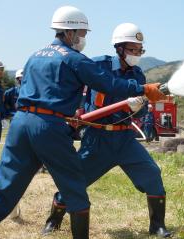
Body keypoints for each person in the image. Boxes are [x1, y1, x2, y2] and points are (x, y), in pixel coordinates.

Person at [0, 7, 165, 239]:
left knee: (5, 183)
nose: (83, 38)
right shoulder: (78, 60)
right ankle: (61, 224)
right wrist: (142, 90)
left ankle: (157, 226)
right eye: (82, 33)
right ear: (70, 32)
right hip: (63, 129)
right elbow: (108, 85)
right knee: (74, 184)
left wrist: (137, 103)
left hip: (22, 123)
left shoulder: (35, 55)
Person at [42, 23, 171, 238]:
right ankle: (54, 220)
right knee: (74, 183)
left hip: (125, 138)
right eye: (133, 49)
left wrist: (138, 109)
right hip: (97, 139)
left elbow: (140, 112)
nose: (137, 54)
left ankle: (157, 226)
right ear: (119, 48)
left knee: (152, 175)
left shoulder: (138, 75)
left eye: (140, 50)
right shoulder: (97, 66)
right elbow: (81, 93)